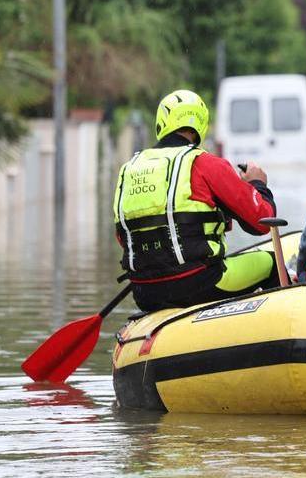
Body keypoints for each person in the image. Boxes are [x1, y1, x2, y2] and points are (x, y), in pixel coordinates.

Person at [113, 89, 279, 312]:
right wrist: (258, 185)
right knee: (272, 263)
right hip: (199, 284)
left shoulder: (129, 170)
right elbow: (262, 222)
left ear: (162, 123)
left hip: (144, 292)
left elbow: (123, 238)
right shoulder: (206, 163)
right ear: (201, 126)